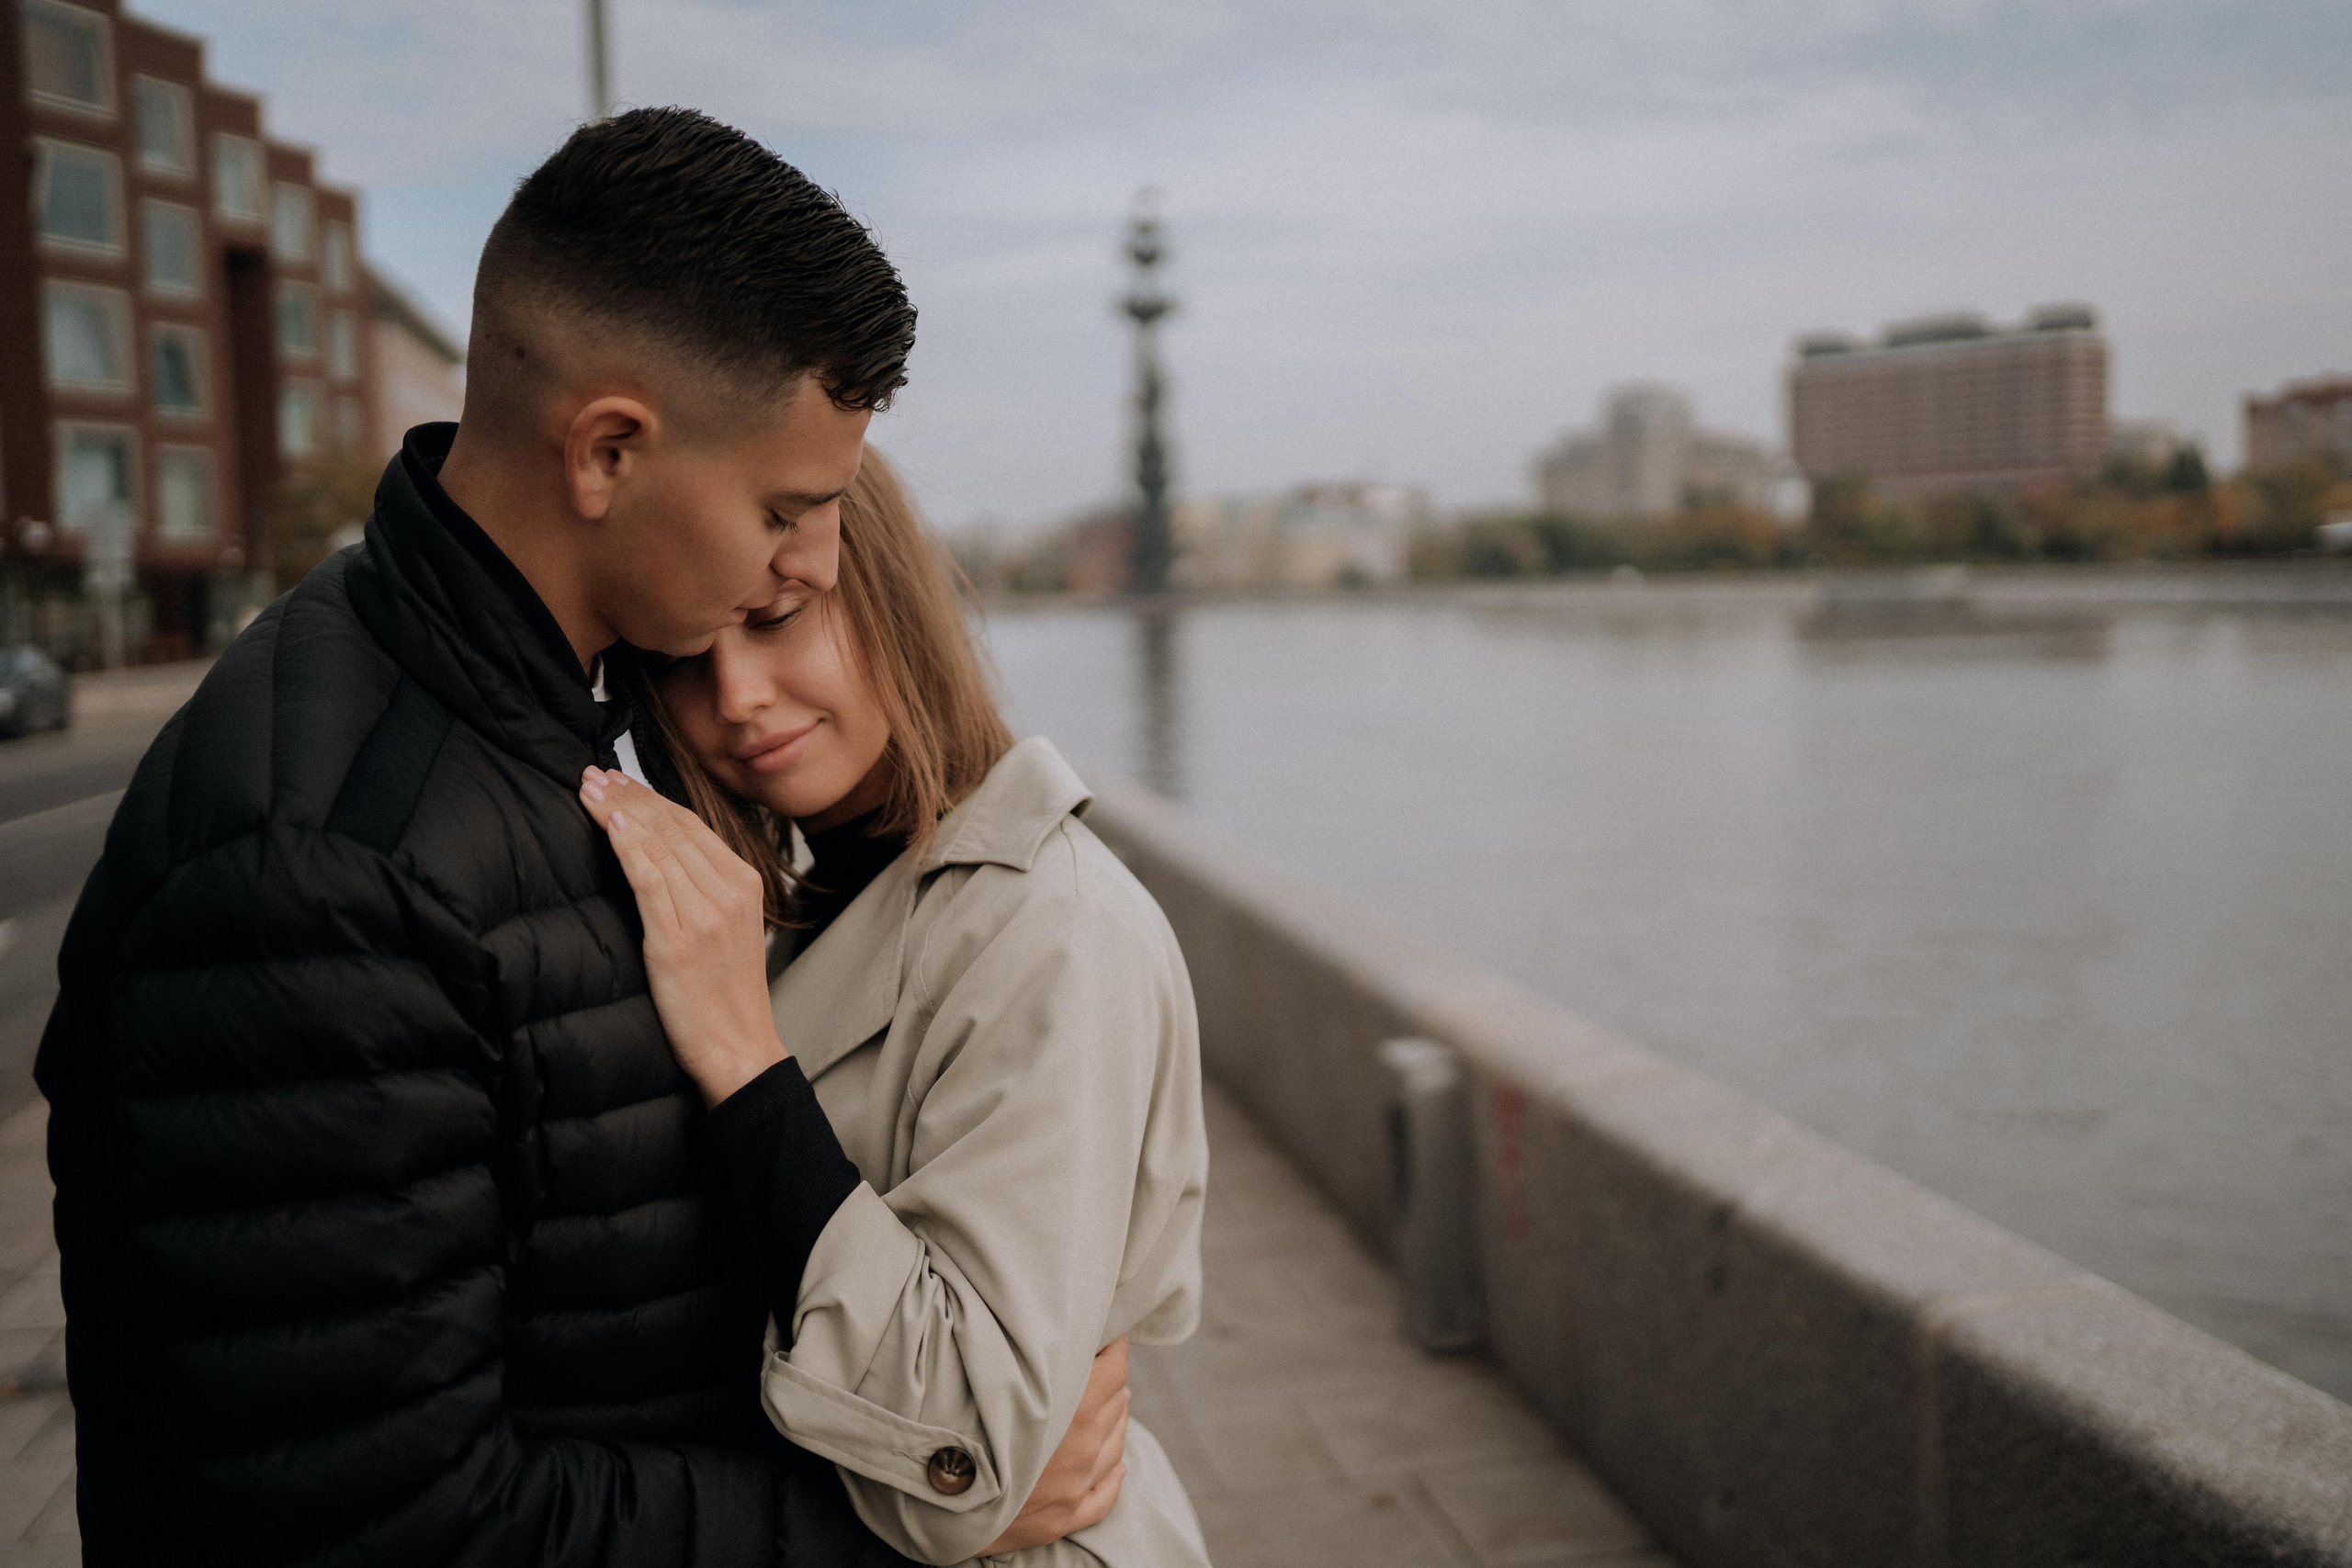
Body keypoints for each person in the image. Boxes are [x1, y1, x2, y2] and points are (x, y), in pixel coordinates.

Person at [37, 108, 1122, 1566]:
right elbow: (383, 1524)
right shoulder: (323, 866)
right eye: (788, 508)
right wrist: (897, 1524)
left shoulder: (564, 723)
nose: (814, 560)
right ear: (609, 449)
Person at [572, 453, 1212, 1568]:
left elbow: (960, 1449)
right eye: (683, 660)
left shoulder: (1049, 931)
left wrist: (740, 1056)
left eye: (775, 620)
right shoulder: (813, 901)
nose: (736, 697)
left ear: (886, 595)